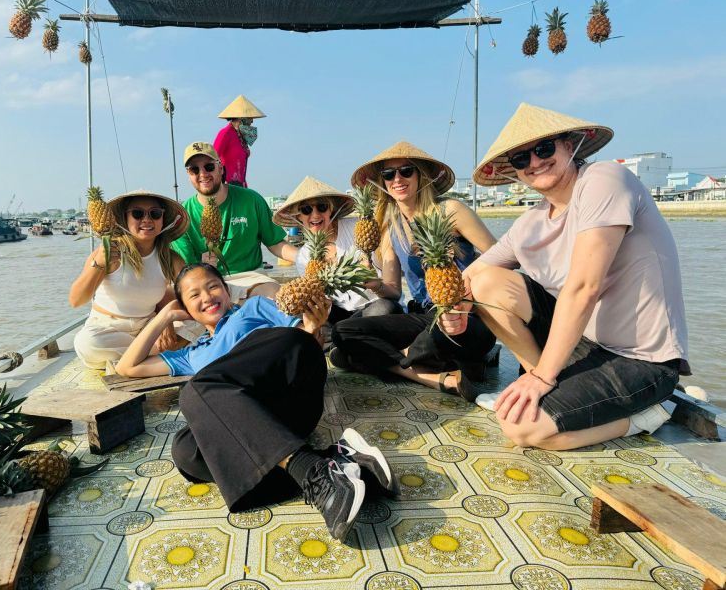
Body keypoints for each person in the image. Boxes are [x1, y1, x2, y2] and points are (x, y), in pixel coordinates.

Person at [441, 102, 689, 450]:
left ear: (570, 146)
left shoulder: (604, 180)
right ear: (514, 172)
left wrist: (546, 376)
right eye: (521, 159)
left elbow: (584, 287)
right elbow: (474, 276)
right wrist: (455, 309)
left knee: (522, 430)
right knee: (487, 284)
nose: (535, 162)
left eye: (543, 149)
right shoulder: (530, 223)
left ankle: (643, 416)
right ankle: (534, 378)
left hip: (641, 360)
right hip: (583, 343)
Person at [115, 263, 397, 542]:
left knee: (196, 390)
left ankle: (315, 469)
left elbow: (299, 343)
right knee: (186, 451)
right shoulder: (191, 354)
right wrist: (164, 316)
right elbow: (127, 367)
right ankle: (341, 466)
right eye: (194, 295)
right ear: (185, 309)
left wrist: (312, 327)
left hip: (290, 389)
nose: (206, 297)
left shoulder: (254, 307)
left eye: (212, 286)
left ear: (226, 291)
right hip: (260, 428)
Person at [331, 141, 497, 397]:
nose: (397, 178)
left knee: (432, 339)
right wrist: (373, 284)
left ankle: (397, 359)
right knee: (344, 332)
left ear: (422, 175)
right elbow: (394, 292)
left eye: (406, 171)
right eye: (388, 174)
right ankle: (433, 375)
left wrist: (464, 288)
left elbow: (500, 256)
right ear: (383, 182)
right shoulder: (390, 228)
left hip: (467, 315)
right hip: (423, 315)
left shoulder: (450, 210)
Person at [69, 189, 188, 368]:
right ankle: (149, 356)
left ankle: (134, 359)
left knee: (198, 326)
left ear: (163, 220)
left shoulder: (171, 259)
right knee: (87, 343)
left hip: (148, 326)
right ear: (125, 218)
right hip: (107, 328)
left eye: (155, 214)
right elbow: (76, 300)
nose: (147, 220)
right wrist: (99, 264)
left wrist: (166, 321)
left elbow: (190, 295)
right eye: (137, 213)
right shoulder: (110, 254)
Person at [171, 141, 297, 301]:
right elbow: (184, 269)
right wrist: (201, 267)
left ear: (220, 168)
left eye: (209, 167)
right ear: (189, 176)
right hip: (205, 284)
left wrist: (303, 257)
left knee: (275, 297)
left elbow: (275, 243)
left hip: (252, 279)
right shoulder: (183, 217)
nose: (202, 174)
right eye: (194, 169)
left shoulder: (251, 200)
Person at [272, 175, 402, 325]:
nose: (315, 215)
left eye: (322, 207)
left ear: (331, 209)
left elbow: (395, 294)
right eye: (306, 209)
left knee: (383, 309)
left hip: (377, 304)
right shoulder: (304, 257)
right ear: (299, 217)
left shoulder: (360, 229)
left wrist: (377, 285)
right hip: (338, 313)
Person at [213, 94, 265, 187]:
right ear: (241, 119)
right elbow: (212, 157)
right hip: (228, 186)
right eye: (250, 118)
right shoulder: (225, 133)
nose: (252, 121)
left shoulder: (241, 136)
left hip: (241, 186)